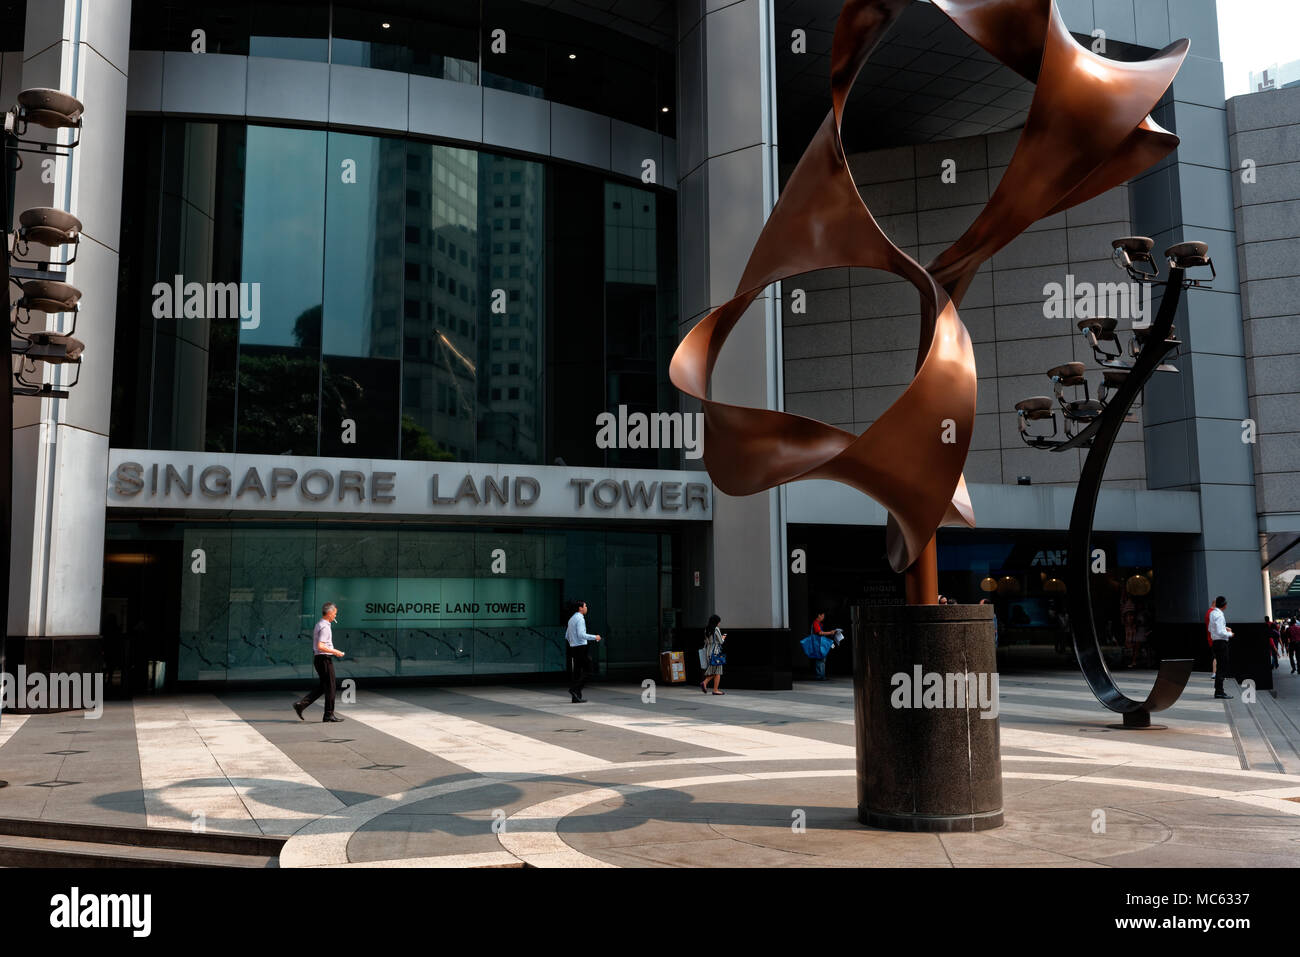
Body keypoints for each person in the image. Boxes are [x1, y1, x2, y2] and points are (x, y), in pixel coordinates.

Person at [294, 602, 346, 722]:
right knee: (331, 687)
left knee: (324, 686)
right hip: (324, 659)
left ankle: (301, 704)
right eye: (334, 613)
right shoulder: (325, 627)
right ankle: (328, 714)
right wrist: (335, 651)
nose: (335, 616)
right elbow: (320, 646)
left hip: (319, 659)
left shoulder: (320, 624)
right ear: (329, 613)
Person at [565, 599, 601, 703]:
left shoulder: (571, 619)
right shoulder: (580, 619)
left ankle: (576, 697)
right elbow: (581, 635)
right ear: (580, 608)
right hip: (581, 648)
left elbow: (567, 635)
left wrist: (573, 643)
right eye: (585, 606)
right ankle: (574, 690)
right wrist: (595, 637)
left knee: (577, 672)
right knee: (589, 671)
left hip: (574, 648)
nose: (586, 608)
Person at [1209, 595, 1233, 700]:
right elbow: (1219, 631)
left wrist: (1224, 628)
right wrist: (1229, 634)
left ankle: (1218, 689)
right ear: (1224, 605)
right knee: (1222, 667)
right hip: (1221, 643)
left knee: (1220, 667)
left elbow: (1211, 628)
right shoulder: (1219, 615)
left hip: (1215, 642)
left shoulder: (1212, 613)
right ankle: (1219, 691)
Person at [808, 612, 841, 680]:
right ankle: (820, 676)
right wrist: (830, 632)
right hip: (818, 644)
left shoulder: (819, 624)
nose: (823, 618)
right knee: (820, 659)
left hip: (820, 643)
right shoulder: (816, 623)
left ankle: (821, 675)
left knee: (822, 659)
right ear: (818, 615)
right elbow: (820, 633)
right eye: (822, 616)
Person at [701, 615, 726, 695]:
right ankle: (714, 689)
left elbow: (706, 641)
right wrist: (724, 637)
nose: (719, 623)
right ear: (716, 622)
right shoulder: (716, 629)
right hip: (715, 652)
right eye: (719, 622)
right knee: (718, 671)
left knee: (714, 671)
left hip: (708, 652)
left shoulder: (706, 629)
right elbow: (721, 641)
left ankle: (706, 683)